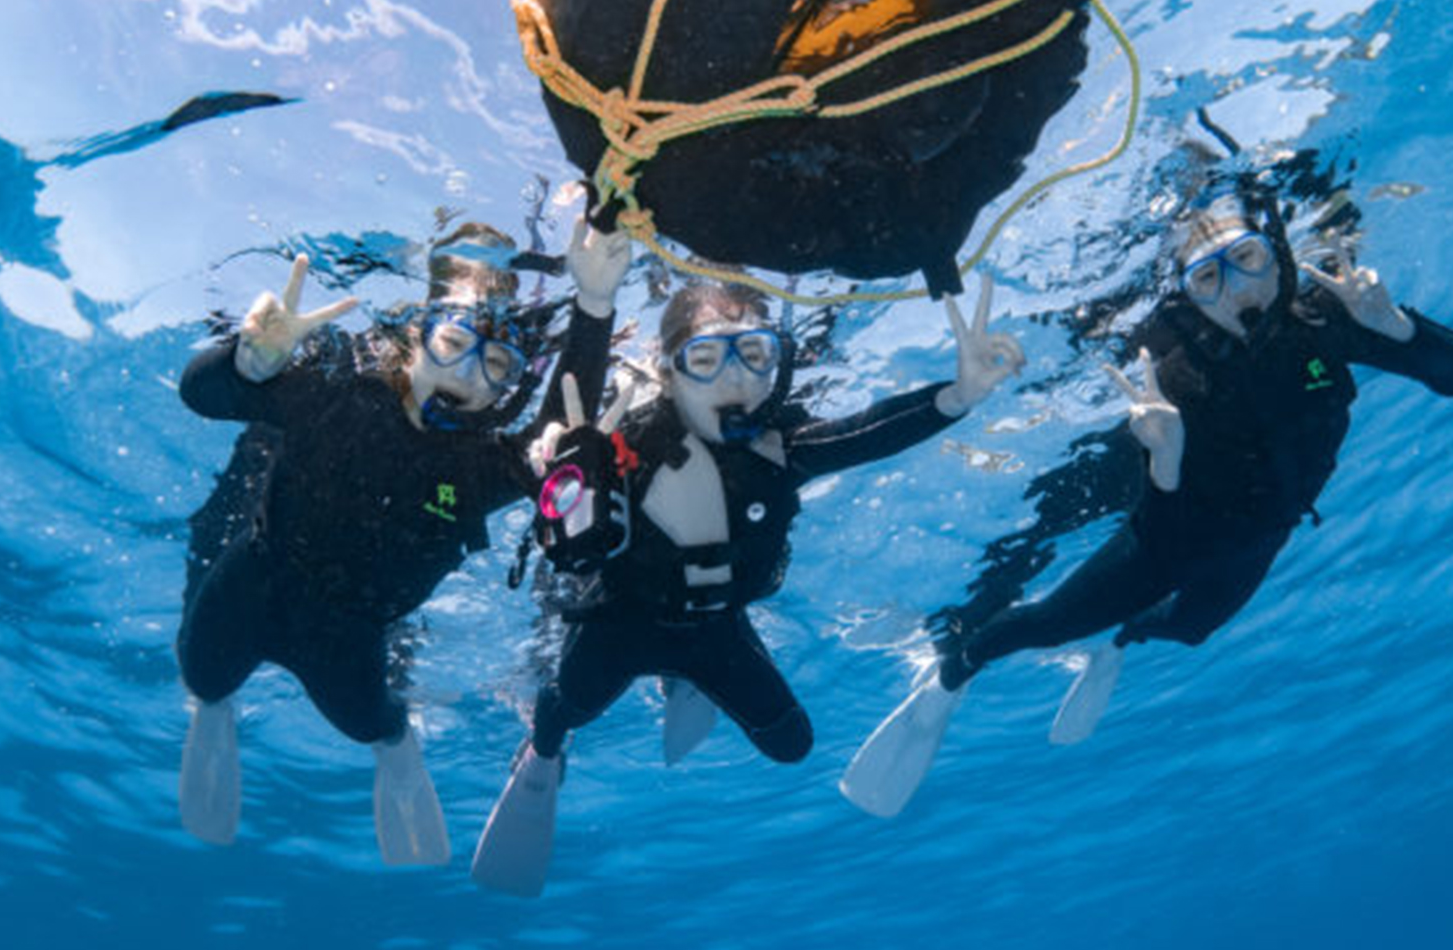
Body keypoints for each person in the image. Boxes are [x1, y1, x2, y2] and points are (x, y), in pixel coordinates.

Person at [840, 170, 1453, 818]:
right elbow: (1161, 535)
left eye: (1247, 258)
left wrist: (1395, 325)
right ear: (1187, 298)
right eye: (1207, 278)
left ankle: (1118, 642)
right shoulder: (1181, 381)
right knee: (1045, 625)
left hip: (1264, 534)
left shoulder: (1325, 320)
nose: (1235, 289)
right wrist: (1166, 459)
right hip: (1172, 536)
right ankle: (952, 671)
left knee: (1191, 630)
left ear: (1277, 255)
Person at [468, 276, 1028, 895]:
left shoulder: (782, 448)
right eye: (707, 358)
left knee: (791, 743)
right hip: (620, 624)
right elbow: (539, 488)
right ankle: (541, 758)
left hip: (715, 627)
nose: (734, 378)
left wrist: (956, 397)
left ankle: (681, 680)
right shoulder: (621, 447)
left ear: (775, 366)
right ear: (668, 372)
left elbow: (865, 433)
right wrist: (556, 465)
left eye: (753, 354)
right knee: (560, 716)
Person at [174, 220, 631, 861]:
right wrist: (248, 365)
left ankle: (397, 747)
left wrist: (595, 304)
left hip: (352, 633)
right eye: (454, 342)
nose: (469, 373)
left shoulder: (479, 471)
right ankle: (212, 715)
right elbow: (202, 394)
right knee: (201, 674)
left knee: (369, 721)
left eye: (497, 365)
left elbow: (560, 426)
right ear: (416, 336)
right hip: (254, 580)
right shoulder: (335, 394)